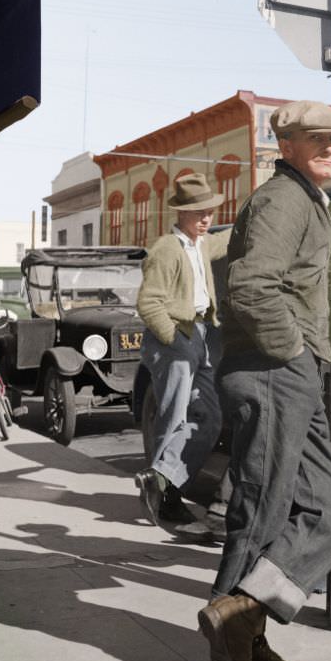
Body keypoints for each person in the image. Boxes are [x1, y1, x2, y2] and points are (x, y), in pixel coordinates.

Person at [197, 101, 331, 661]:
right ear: (284, 143)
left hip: (291, 371)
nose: (329, 149)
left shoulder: (304, 198)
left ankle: (240, 616)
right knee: (261, 513)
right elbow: (252, 285)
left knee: (326, 510)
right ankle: (242, 636)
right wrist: (291, 353)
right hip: (273, 369)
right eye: (315, 139)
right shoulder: (283, 198)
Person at [135, 172, 229, 540]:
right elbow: (148, 303)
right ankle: (166, 499)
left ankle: (160, 478)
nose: (205, 218)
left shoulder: (200, 244)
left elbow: (226, 241)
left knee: (209, 415)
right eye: (198, 213)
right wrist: (175, 339)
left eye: (209, 211)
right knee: (173, 418)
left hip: (202, 335)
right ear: (180, 213)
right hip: (176, 340)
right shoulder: (166, 249)